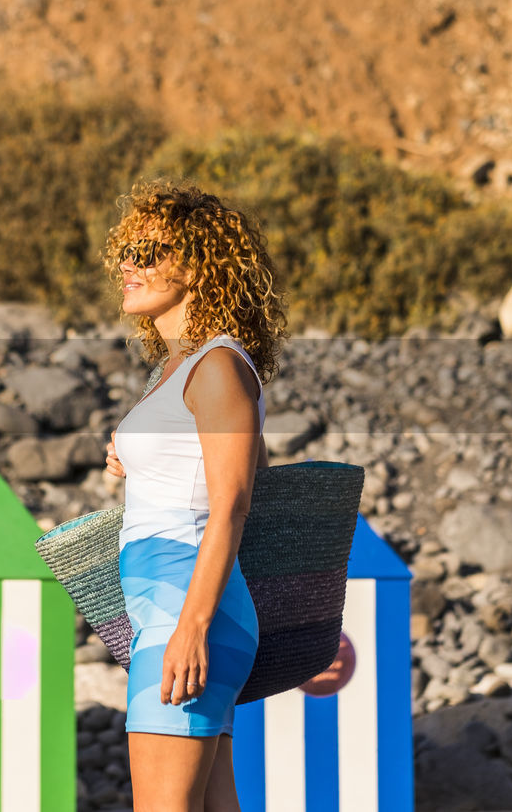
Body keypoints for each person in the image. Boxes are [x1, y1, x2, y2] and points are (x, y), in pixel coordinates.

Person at [104, 179, 289, 811]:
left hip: (185, 610)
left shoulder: (217, 367)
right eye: (127, 252)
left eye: (150, 252)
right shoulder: (185, 368)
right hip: (175, 608)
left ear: (199, 264)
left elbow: (234, 502)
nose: (130, 265)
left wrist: (191, 627)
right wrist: (131, 455)